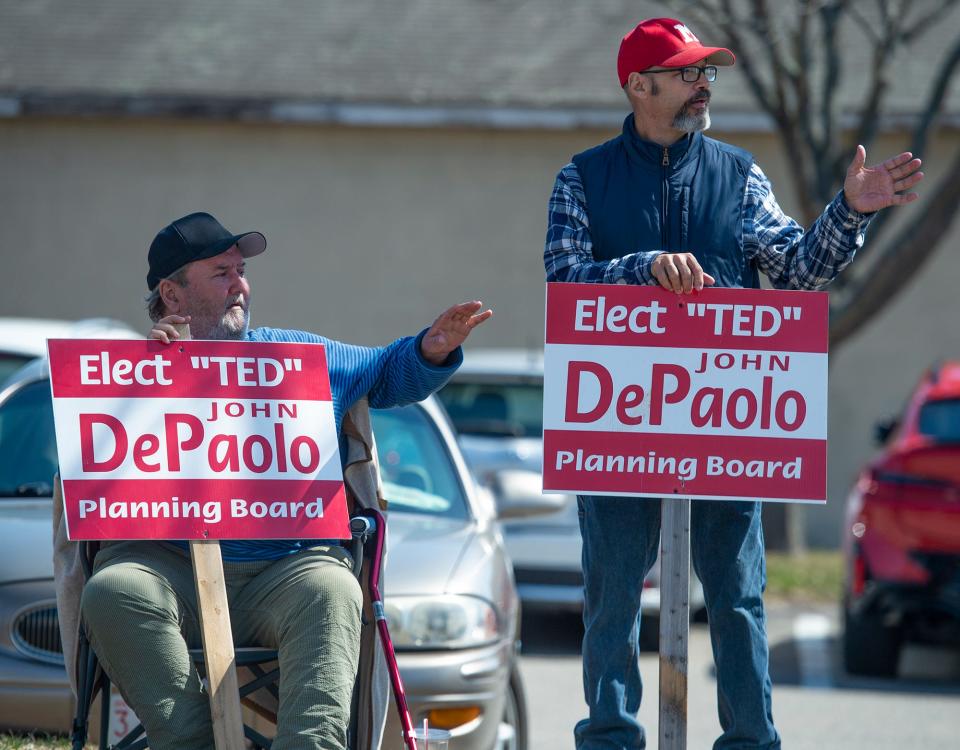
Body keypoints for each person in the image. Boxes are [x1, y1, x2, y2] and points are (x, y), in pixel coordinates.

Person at [543, 17, 923, 750]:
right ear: (638, 85)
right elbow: (567, 282)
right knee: (613, 598)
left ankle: (750, 741)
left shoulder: (737, 173)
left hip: (724, 426)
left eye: (706, 73)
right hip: (617, 429)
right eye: (687, 73)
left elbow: (799, 267)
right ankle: (612, 738)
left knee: (739, 602)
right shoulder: (580, 179)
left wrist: (851, 211)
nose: (703, 85)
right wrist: (644, 267)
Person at [78, 211, 492, 750]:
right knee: (113, 590)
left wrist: (432, 348)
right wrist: (148, 379)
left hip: (283, 571)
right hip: (171, 569)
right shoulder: (129, 373)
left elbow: (389, 373)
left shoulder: (297, 361)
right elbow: (88, 478)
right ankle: (189, 741)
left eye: (241, 270)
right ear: (172, 295)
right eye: (221, 273)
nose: (241, 286)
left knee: (333, 588)